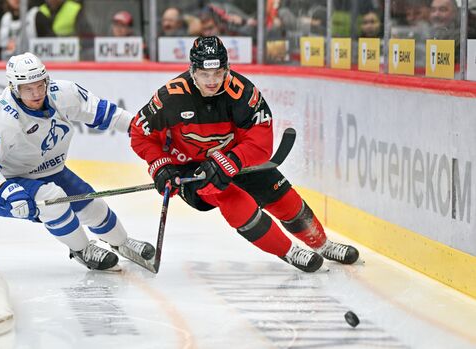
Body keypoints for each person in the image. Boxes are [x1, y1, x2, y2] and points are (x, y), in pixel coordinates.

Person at [130, 36, 359, 273]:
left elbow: (261, 142)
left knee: (280, 194)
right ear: (192, 71)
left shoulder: (242, 93)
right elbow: (139, 133)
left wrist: (230, 161)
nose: (212, 81)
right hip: (191, 169)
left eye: (218, 73)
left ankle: (323, 244)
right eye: (205, 75)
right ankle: (290, 251)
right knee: (229, 197)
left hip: (236, 158)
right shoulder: (170, 97)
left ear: (227, 69)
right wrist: (161, 166)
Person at [0, 52, 154, 271]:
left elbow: (106, 113)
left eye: (40, 85)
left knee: (93, 207)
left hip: (53, 171)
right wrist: (8, 191)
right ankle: (82, 250)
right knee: (53, 199)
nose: (37, 93)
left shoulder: (64, 93)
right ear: (14, 87)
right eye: (28, 88)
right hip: (9, 184)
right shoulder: (2, 118)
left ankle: (121, 243)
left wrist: (146, 131)